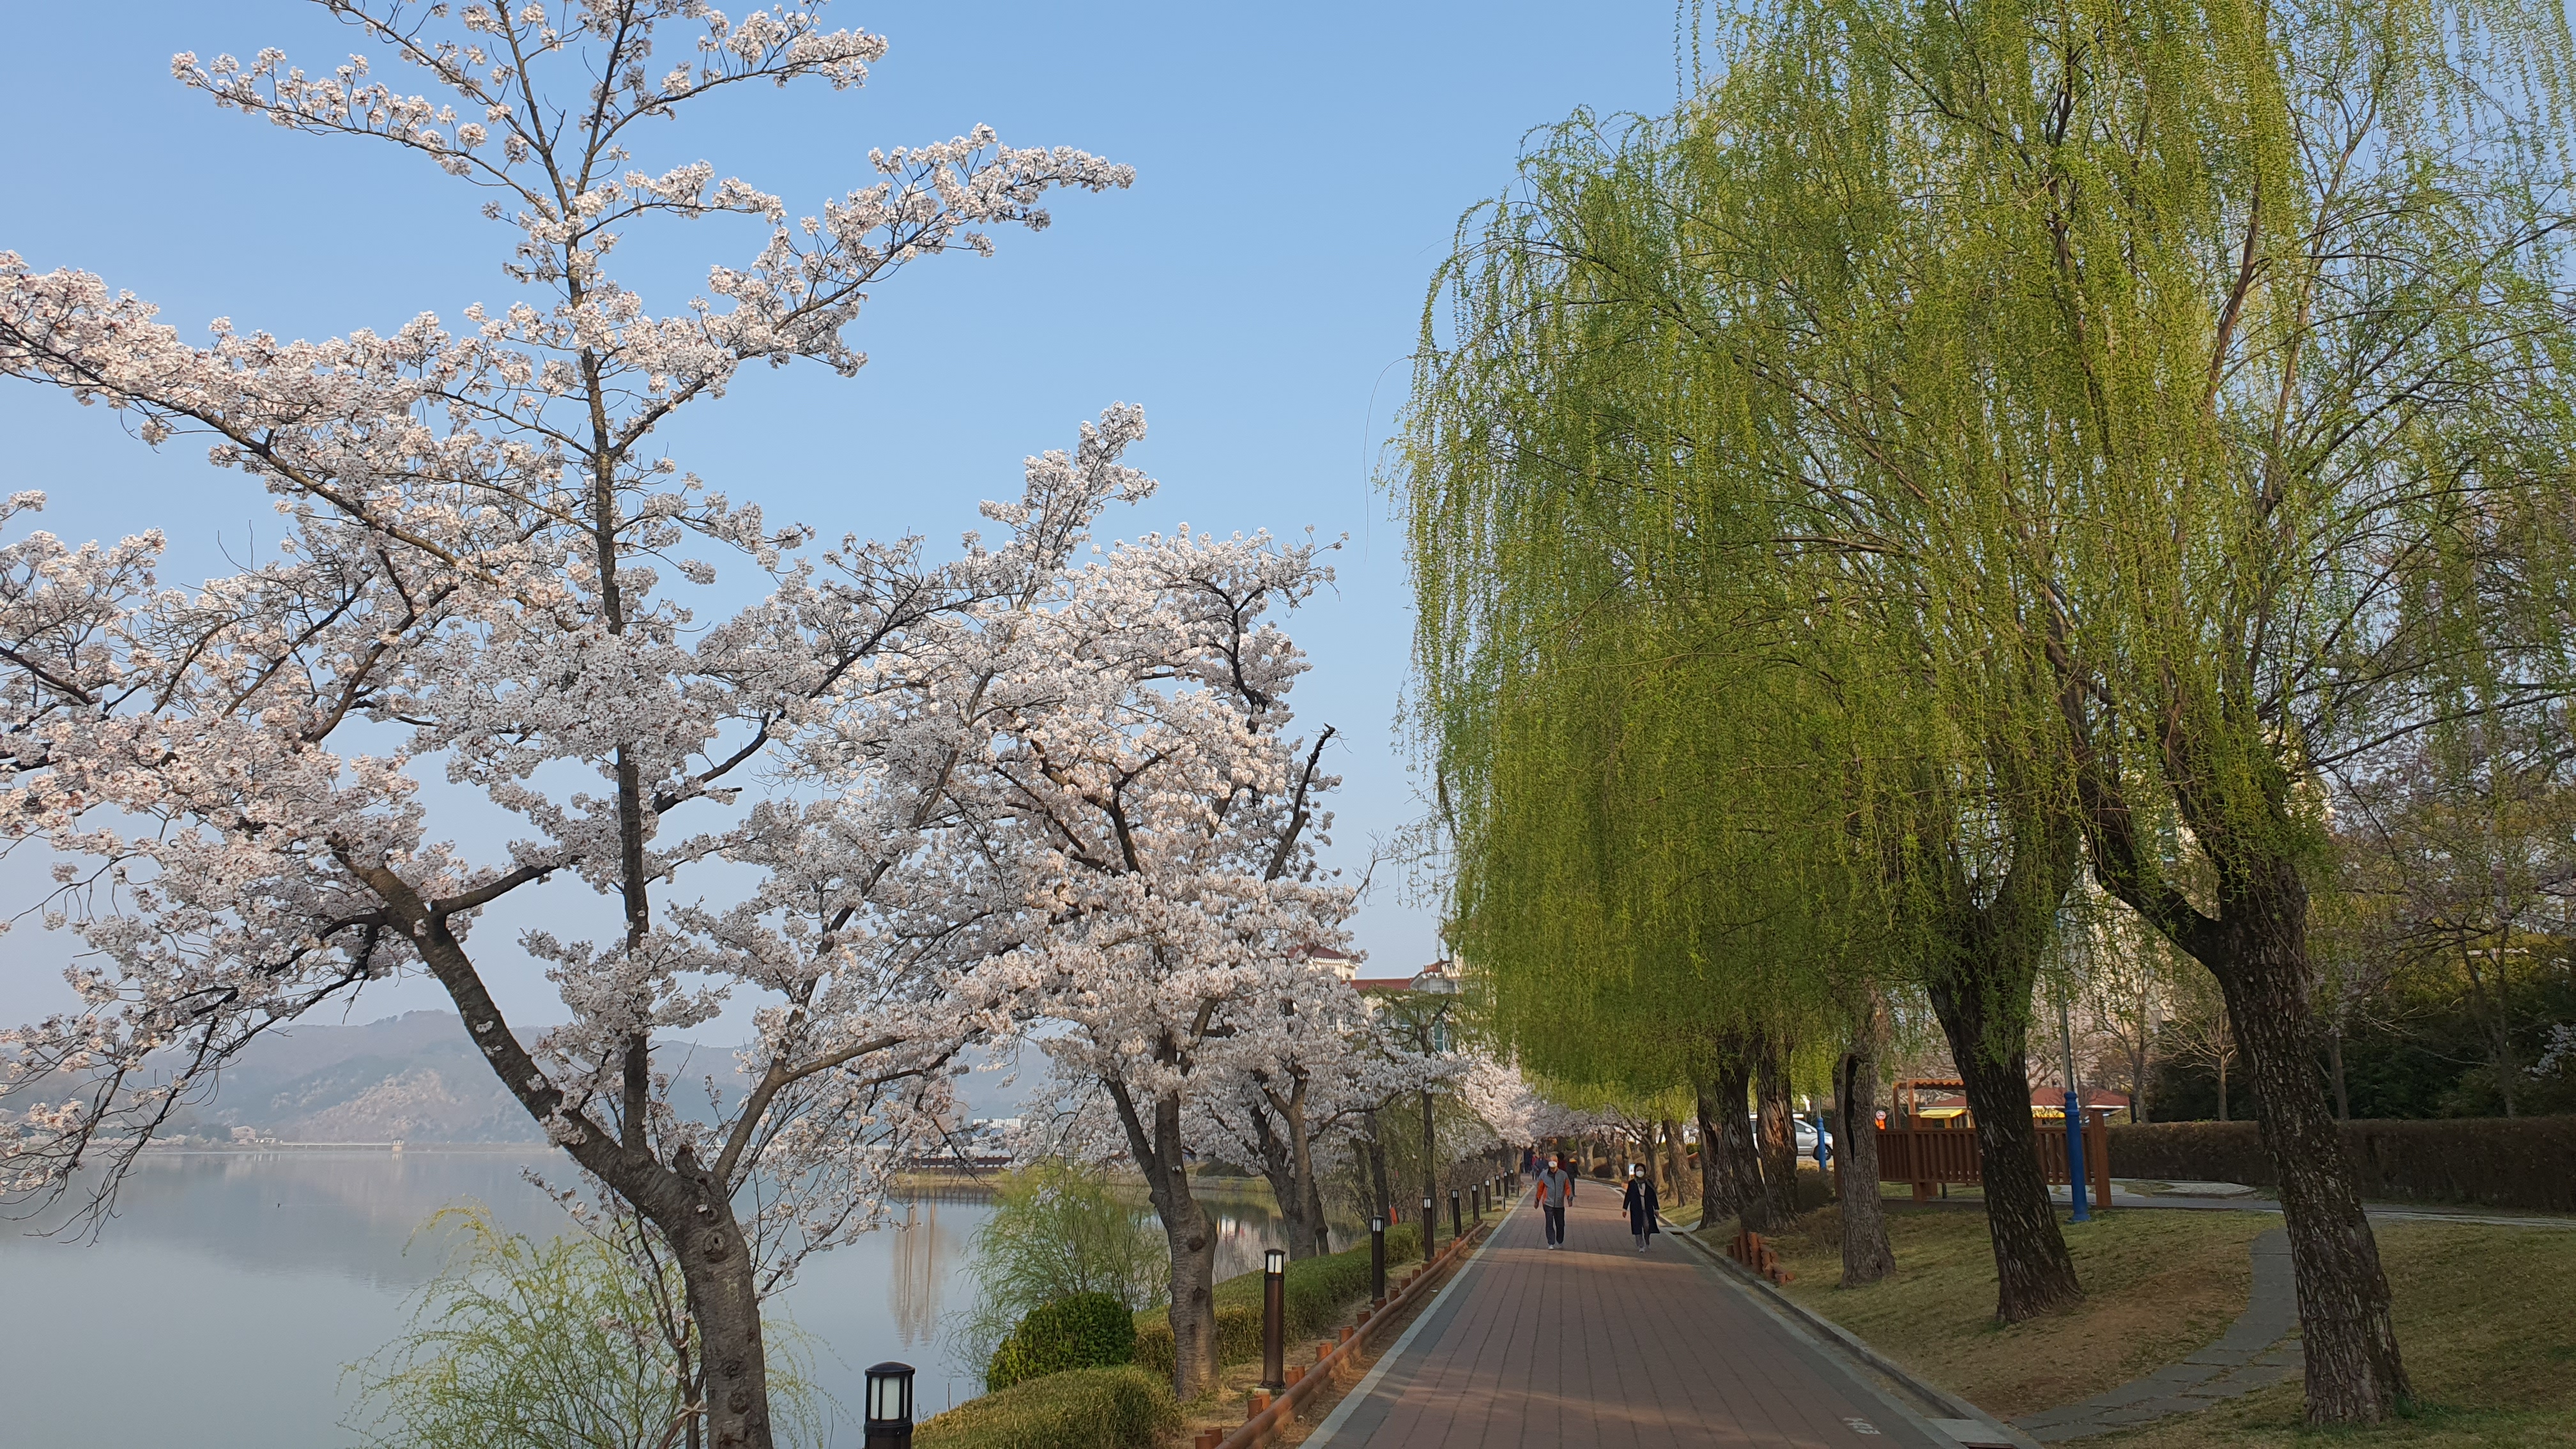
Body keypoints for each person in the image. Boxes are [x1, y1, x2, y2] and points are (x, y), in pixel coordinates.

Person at [1536, 1154, 1575, 1249]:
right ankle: (1551, 1242)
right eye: (1550, 1161)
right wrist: (1537, 1200)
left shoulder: (1563, 1175)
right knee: (1549, 1223)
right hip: (1548, 1203)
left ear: (1557, 1163)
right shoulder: (1544, 1175)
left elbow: (1568, 1187)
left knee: (1560, 1223)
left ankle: (1560, 1240)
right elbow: (1540, 1189)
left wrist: (1569, 1198)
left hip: (1559, 1204)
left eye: (1554, 1161)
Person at [1622, 1163, 1660, 1252]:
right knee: (1637, 1227)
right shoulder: (1632, 1184)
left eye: (1641, 1170)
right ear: (1635, 1172)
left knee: (1647, 1225)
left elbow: (1653, 1196)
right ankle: (1641, 1245)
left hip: (1647, 1208)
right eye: (1638, 1170)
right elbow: (1628, 1196)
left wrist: (1656, 1209)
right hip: (1636, 1209)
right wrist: (1624, 1209)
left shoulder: (1648, 1183)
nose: (1640, 1172)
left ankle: (1647, 1239)